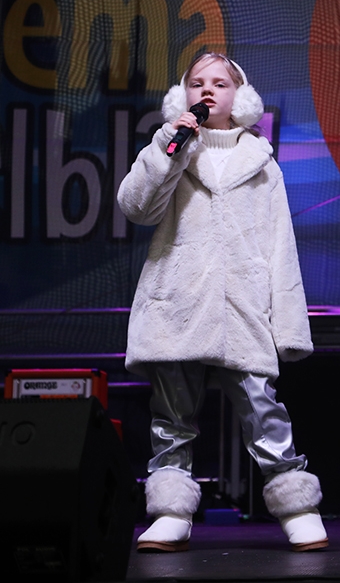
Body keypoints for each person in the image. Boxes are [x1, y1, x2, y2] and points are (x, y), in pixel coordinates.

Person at [118, 53, 328, 553]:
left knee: (262, 407)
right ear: (183, 95)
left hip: (243, 305)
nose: (208, 90)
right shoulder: (170, 147)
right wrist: (170, 149)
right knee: (171, 416)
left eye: (220, 82)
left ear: (241, 97)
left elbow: (281, 246)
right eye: (197, 82)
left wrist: (289, 328)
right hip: (178, 300)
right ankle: (170, 512)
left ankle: (296, 504)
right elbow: (137, 207)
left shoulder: (261, 162)